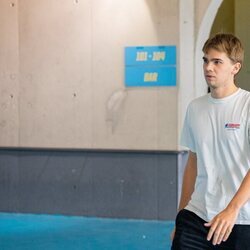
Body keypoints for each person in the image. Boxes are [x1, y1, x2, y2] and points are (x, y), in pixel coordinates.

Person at [171, 33, 250, 249]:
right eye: (206, 60)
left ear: (235, 67)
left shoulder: (247, 105)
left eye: (217, 62)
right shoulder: (195, 108)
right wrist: (180, 216)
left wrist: (232, 209)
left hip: (240, 219)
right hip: (196, 215)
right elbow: (192, 164)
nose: (208, 67)